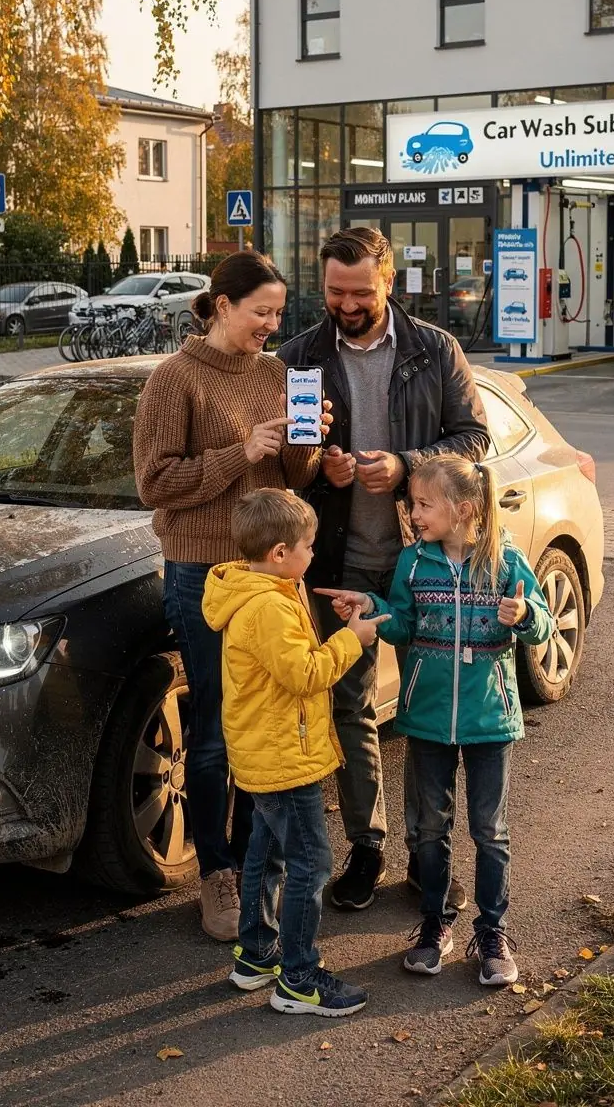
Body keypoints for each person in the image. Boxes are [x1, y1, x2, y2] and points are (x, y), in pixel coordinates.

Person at [279, 227, 490, 911]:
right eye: (334, 291)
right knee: (350, 708)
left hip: (425, 561)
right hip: (340, 566)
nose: (344, 303)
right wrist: (321, 466)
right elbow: (287, 466)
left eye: (359, 292)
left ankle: (430, 858)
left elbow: (474, 439)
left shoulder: (434, 349)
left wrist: (405, 467)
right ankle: (366, 849)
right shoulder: (300, 356)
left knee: (431, 717)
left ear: (390, 282)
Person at [133, 252, 326, 943]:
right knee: (217, 730)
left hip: (272, 577)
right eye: (261, 313)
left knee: (269, 719)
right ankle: (216, 869)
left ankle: (252, 859)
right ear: (220, 306)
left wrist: (306, 439)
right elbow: (156, 485)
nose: (273, 327)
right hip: (203, 573)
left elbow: (294, 476)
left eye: (278, 313)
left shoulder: (278, 375)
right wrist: (239, 455)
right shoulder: (174, 380)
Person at [320, 453, 554, 986]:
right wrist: (371, 607)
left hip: (490, 720)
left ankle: (492, 932)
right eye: (413, 502)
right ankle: (434, 926)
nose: (413, 511)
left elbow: (540, 626)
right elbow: (402, 624)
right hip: (425, 721)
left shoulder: (506, 561)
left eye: (423, 503)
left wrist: (524, 617)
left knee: (490, 832)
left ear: (464, 508)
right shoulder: (413, 563)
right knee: (430, 829)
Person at [203, 488, 388, 1016]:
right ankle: (300, 979)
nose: (313, 554)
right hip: (286, 757)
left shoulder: (264, 591)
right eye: (307, 546)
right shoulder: (269, 607)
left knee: (265, 853)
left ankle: (257, 955)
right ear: (280, 553)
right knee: (311, 863)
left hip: (265, 753)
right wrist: (353, 639)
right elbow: (306, 674)